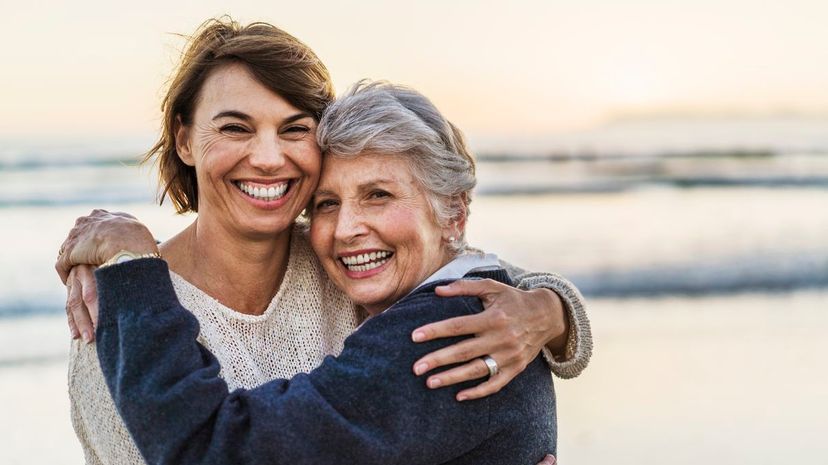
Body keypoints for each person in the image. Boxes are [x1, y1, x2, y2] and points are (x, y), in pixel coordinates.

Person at [55, 18, 591, 465]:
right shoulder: (119, 316)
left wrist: (552, 310)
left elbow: (496, 286)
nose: (268, 157)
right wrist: (131, 263)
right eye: (236, 128)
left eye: (293, 129)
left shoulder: (396, 290)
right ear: (184, 139)